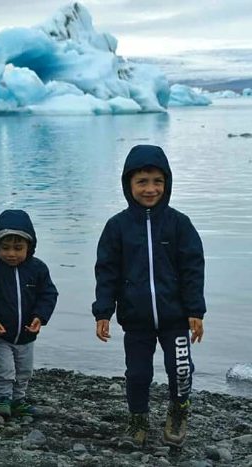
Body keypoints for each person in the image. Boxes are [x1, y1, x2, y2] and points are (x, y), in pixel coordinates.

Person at [92, 145, 206, 448]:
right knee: (138, 373)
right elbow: (107, 272)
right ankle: (138, 418)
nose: (150, 189)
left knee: (181, 369)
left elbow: (193, 269)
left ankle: (179, 410)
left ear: (167, 183)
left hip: (176, 318)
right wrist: (103, 312)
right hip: (136, 319)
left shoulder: (179, 224)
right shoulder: (117, 227)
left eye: (158, 181)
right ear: (128, 184)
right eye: (142, 181)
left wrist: (195, 310)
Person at [0, 209, 58, 418]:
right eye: (5, 248)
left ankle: (18, 400)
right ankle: (2, 399)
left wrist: (40, 317)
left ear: (29, 247)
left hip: (27, 335)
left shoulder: (38, 269)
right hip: (0, 334)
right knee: (4, 369)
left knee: (24, 371)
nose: (11, 254)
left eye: (18, 248)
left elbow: (48, 294)